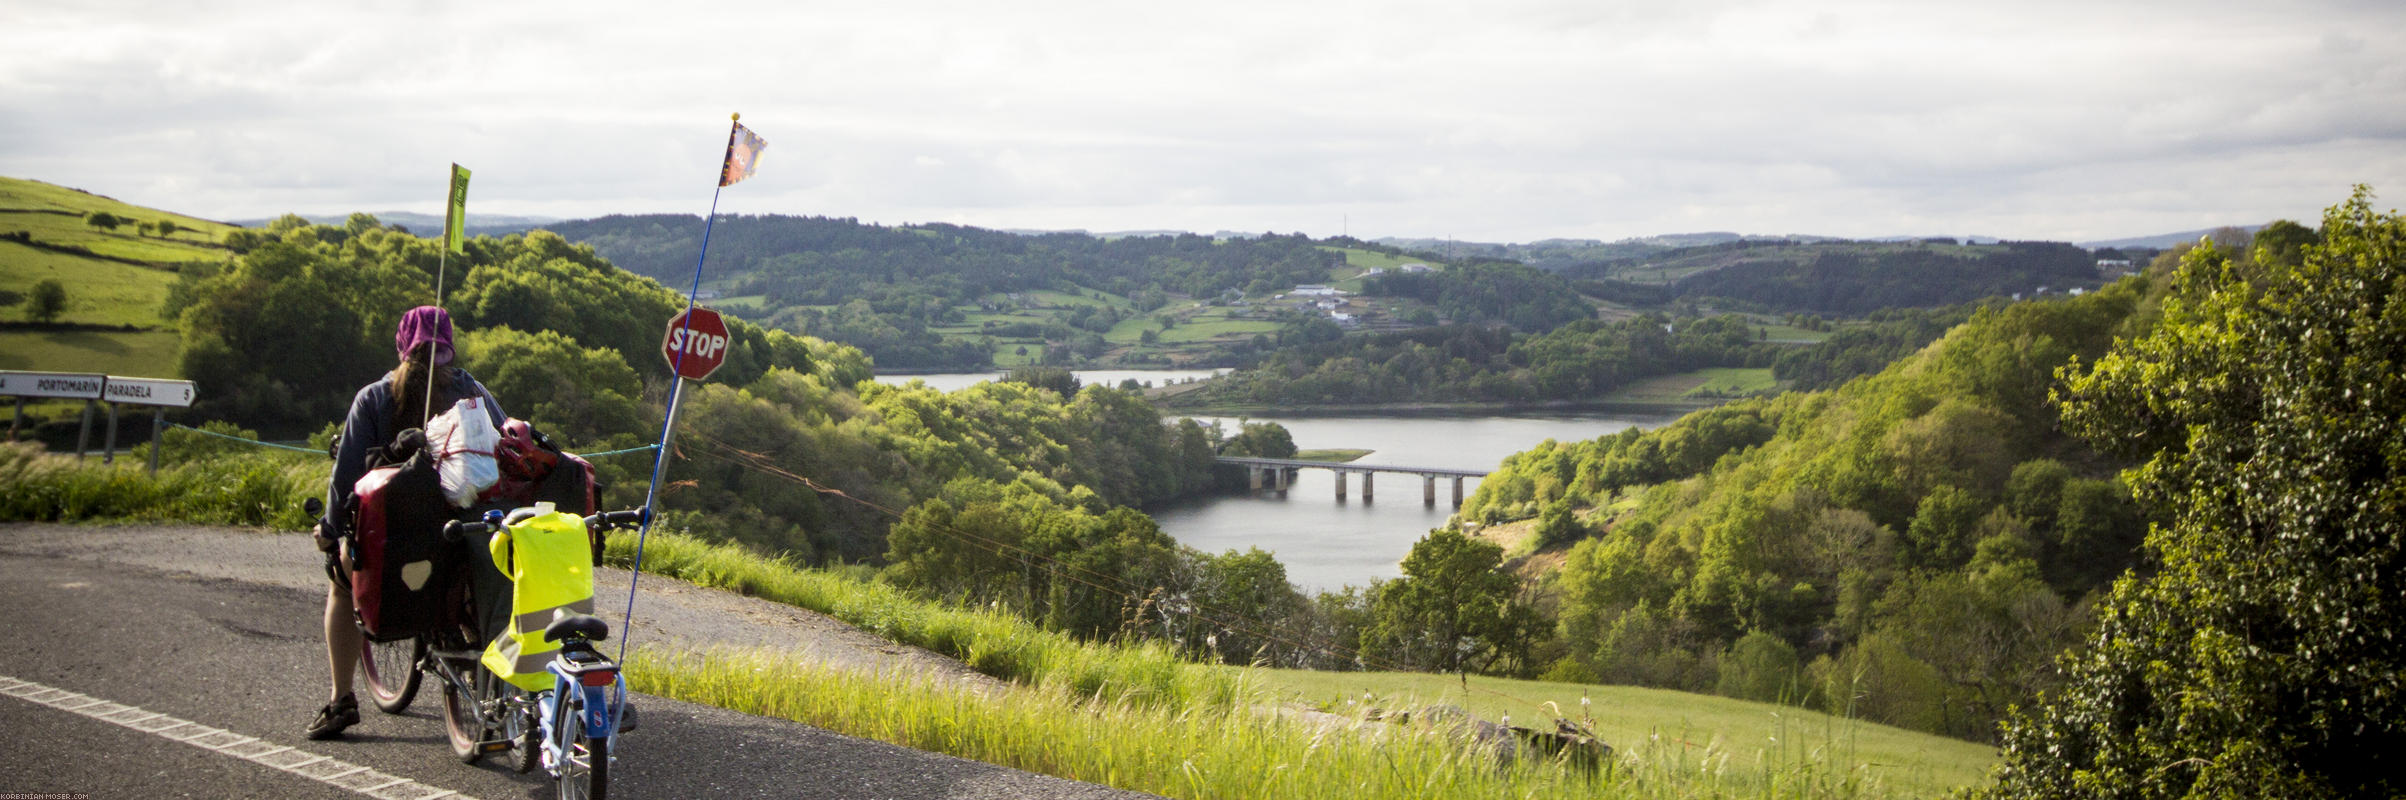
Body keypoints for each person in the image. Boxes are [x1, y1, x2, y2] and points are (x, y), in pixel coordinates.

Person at [308, 305, 508, 740]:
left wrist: (328, 529)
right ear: (449, 348)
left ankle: (341, 699)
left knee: (340, 583)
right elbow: (505, 441)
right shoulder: (472, 391)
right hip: (461, 534)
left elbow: (346, 483)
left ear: (403, 346)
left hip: (392, 543)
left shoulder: (375, 398)